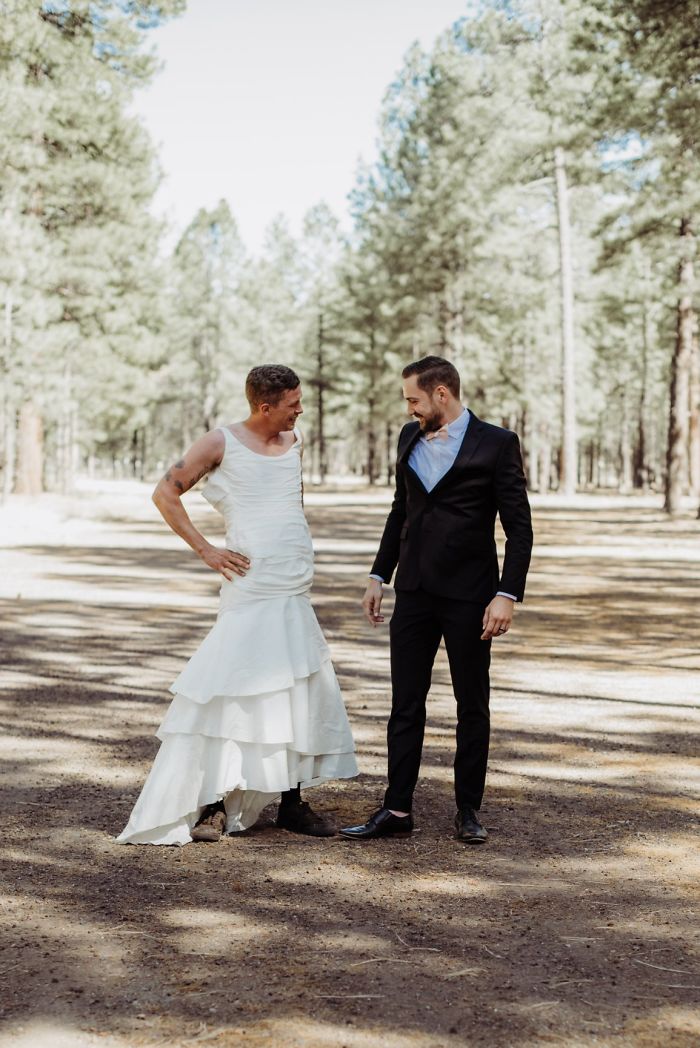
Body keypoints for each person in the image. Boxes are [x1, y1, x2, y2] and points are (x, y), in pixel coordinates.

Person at [117, 365, 357, 846]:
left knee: (295, 683)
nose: (300, 410)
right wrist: (206, 550)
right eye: (292, 403)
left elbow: (290, 505)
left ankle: (291, 801)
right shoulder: (219, 442)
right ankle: (211, 801)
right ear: (264, 406)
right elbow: (164, 493)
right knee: (234, 683)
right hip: (251, 583)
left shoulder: (295, 441)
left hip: (293, 580)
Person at [340, 356, 532, 845]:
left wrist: (506, 594)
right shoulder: (409, 437)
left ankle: (468, 809)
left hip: (471, 596)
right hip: (414, 592)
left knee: (472, 704)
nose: (409, 408)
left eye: (414, 399)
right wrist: (379, 574)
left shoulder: (497, 443)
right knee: (405, 703)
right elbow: (400, 510)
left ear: (441, 393)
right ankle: (397, 808)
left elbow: (519, 528)